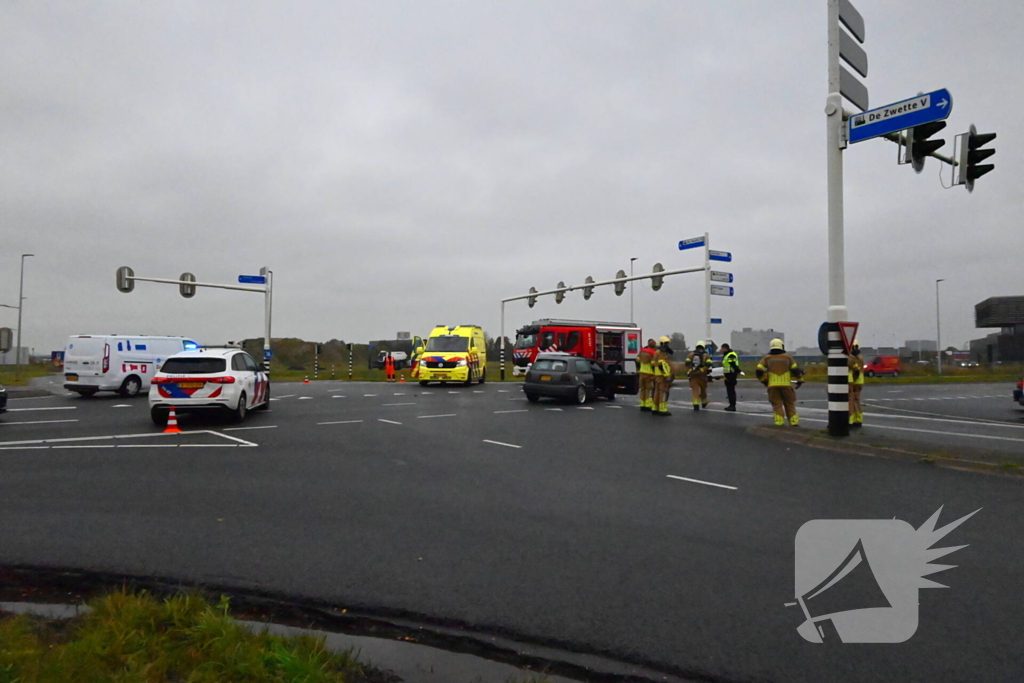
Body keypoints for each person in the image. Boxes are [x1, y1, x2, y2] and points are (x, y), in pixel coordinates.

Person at [756, 338, 803, 426]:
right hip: (786, 386)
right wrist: (799, 380)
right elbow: (796, 370)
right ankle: (794, 422)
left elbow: (758, 370)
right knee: (789, 404)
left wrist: (764, 381)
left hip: (773, 385)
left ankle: (779, 423)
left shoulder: (767, 358)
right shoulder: (788, 357)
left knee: (777, 405)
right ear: (781, 346)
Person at [685, 341, 713, 411]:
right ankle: (704, 402)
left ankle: (696, 404)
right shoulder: (706, 355)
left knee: (695, 390)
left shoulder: (691, 354)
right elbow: (709, 364)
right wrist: (703, 370)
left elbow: (687, 363)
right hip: (702, 375)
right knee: (703, 389)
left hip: (693, 375)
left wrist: (690, 371)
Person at [651, 336, 674, 417]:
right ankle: (662, 409)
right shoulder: (661, 353)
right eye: (667, 343)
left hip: (657, 374)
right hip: (662, 375)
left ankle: (655, 408)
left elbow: (654, 364)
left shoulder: (656, 352)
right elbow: (661, 365)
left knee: (657, 391)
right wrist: (666, 375)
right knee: (663, 392)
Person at [637, 338, 659, 412]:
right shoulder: (653, 353)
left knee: (642, 389)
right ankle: (648, 405)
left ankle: (642, 404)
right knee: (648, 389)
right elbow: (653, 364)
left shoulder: (642, 351)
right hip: (649, 374)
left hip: (641, 373)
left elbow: (637, 360)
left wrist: (638, 369)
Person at [720, 342, 740, 412]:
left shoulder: (730, 354)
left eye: (722, 348)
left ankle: (732, 405)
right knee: (729, 390)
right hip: (728, 374)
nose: (721, 350)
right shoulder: (727, 355)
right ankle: (731, 405)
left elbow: (733, 364)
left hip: (731, 374)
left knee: (731, 390)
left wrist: (738, 371)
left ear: (725, 348)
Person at [848, 339, 864, 427]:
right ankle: (859, 418)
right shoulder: (860, 357)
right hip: (860, 379)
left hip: (854, 378)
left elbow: (855, 370)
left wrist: (853, 380)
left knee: (850, 399)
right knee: (856, 399)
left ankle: (852, 418)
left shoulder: (852, 357)